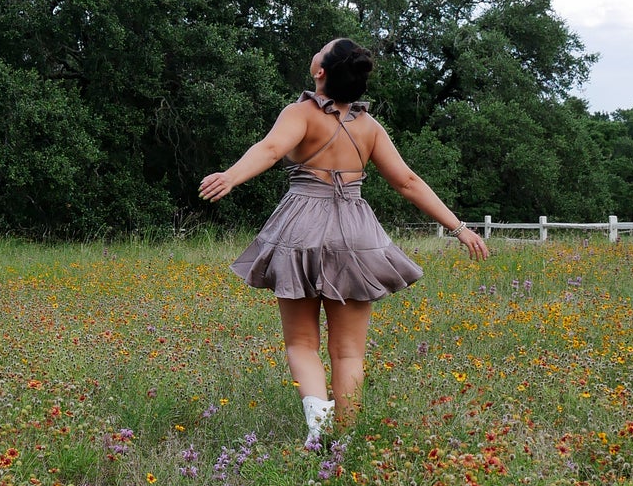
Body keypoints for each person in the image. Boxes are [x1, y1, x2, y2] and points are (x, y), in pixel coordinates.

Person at [199, 37, 488, 441]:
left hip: (301, 228)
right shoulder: (370, 127)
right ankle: (344, 441)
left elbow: (270, 148)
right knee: (349, 352)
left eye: (320, 49)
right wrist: (459, 228)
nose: (315, 51)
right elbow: (407, 181)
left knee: (302, 344)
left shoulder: (300, 113)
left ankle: (319, 431)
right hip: (355, 234)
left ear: (321, 72)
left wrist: (231, 175)